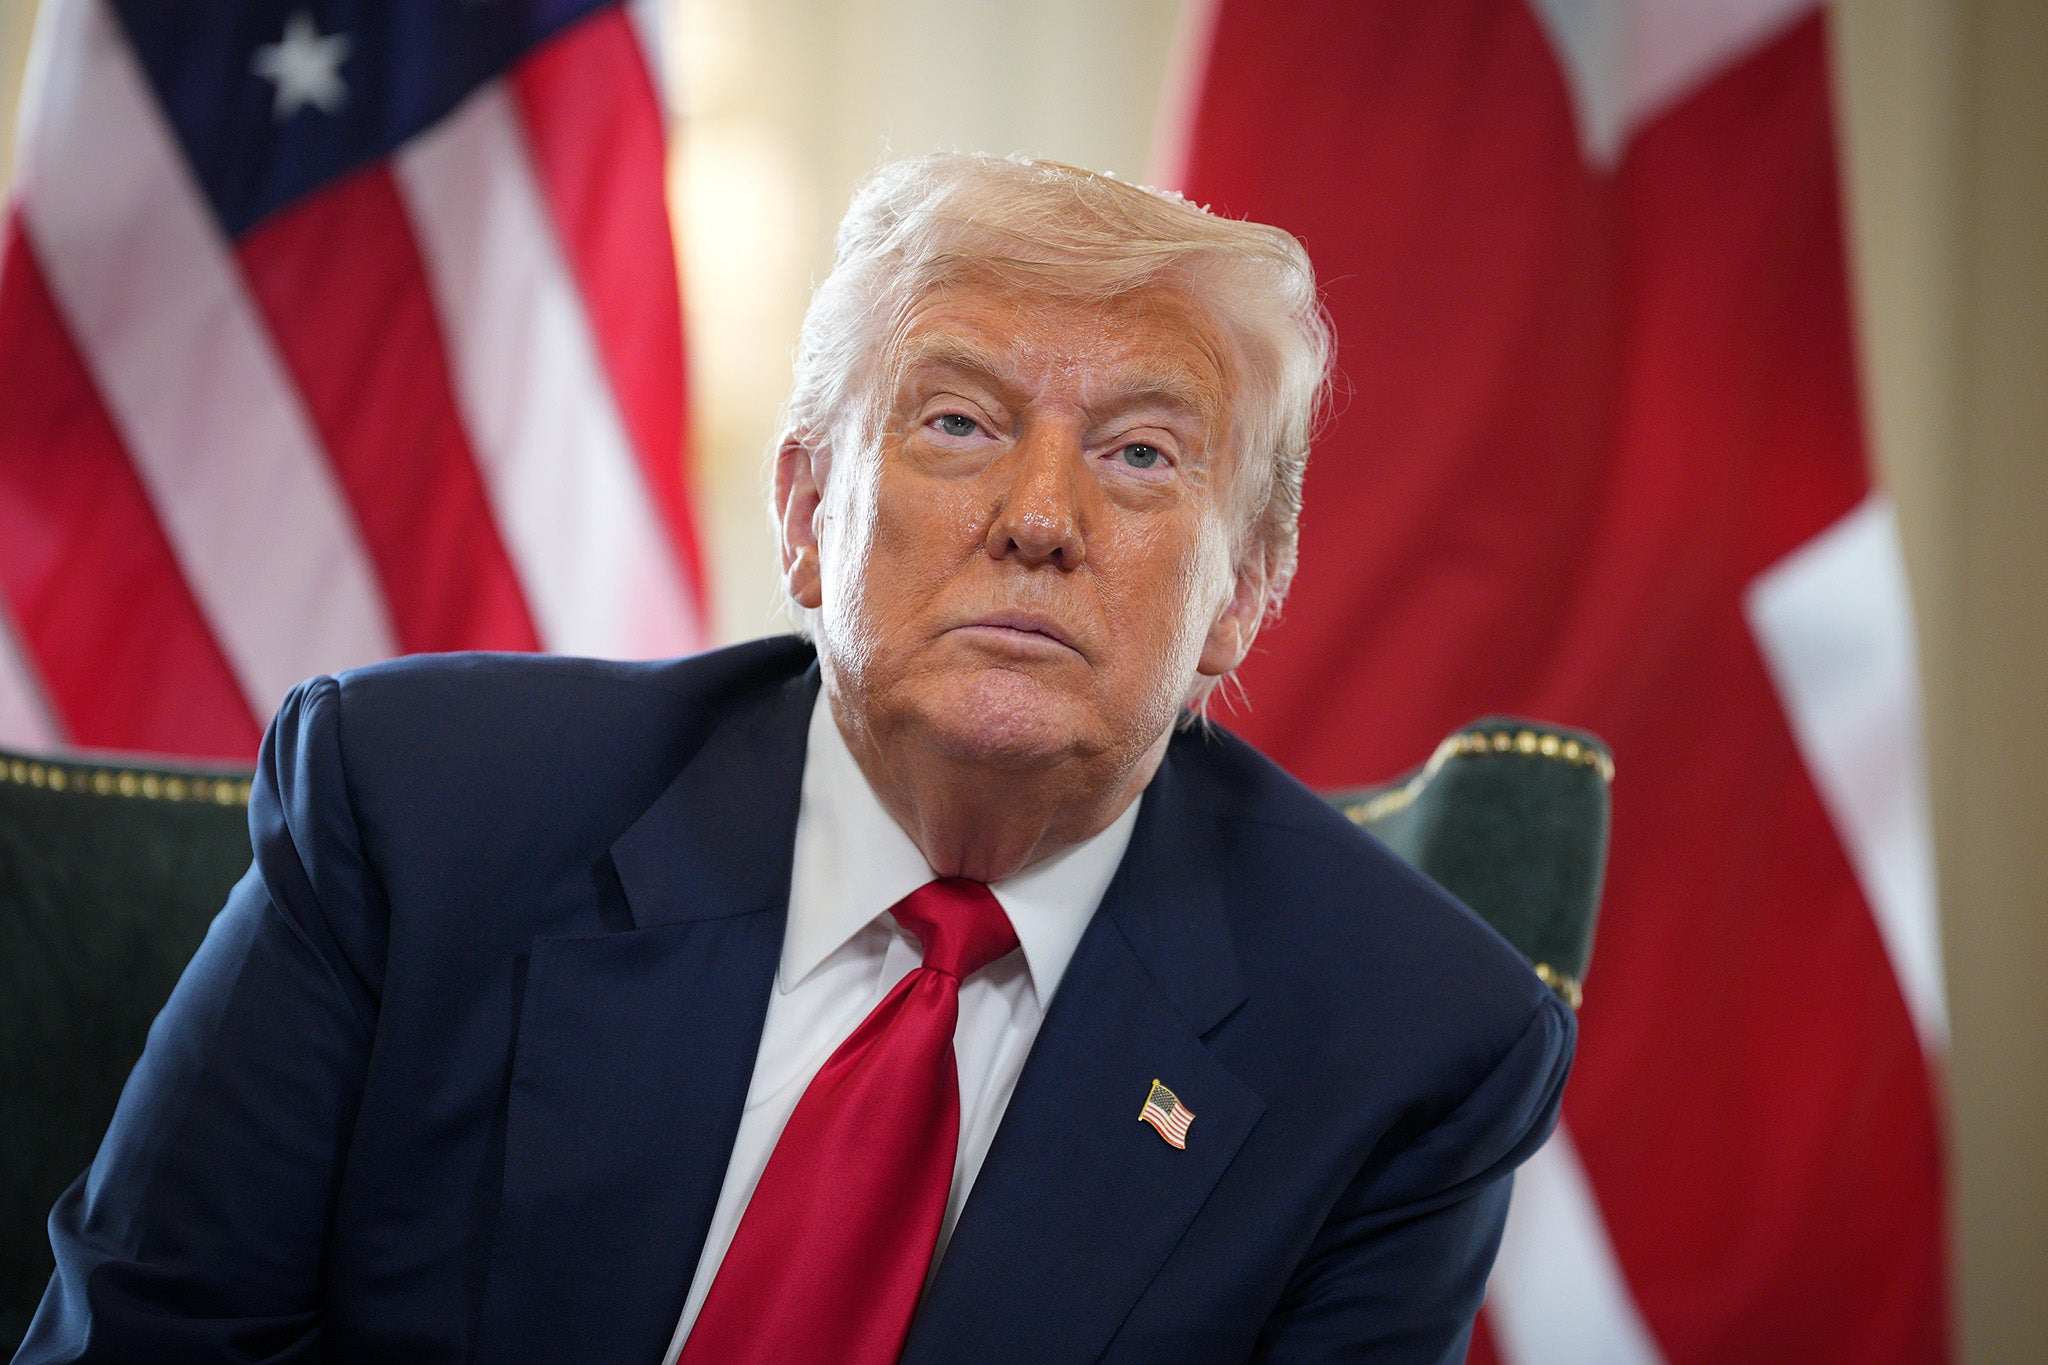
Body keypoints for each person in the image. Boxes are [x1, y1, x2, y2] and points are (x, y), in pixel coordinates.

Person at [18, 154, 1572, 1364]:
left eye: (1143, 455)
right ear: (802, 515)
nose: (1039, 516)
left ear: (1242, 592)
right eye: (956, 422)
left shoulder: (1409, 1045)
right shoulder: (422, 813)